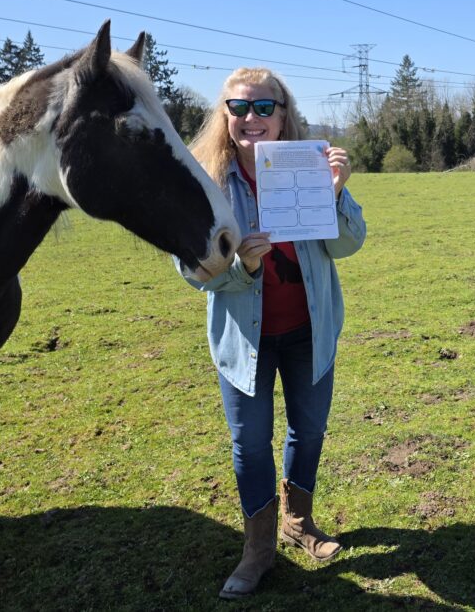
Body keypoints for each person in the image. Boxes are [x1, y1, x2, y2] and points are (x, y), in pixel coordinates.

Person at [178, 67, 366, 598]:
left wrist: (334, 193)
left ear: (284, 115)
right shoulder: (207, 181)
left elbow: (349, 243)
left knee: (309, 431)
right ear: (225, 116)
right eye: (238, 108)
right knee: (250, 444)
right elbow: (190, 269)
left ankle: (298, 523)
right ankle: (258, 549)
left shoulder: (310, 166)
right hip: (245, 339)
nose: (251, 118)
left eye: (264, 107)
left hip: (310, 330)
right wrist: (244, 268)